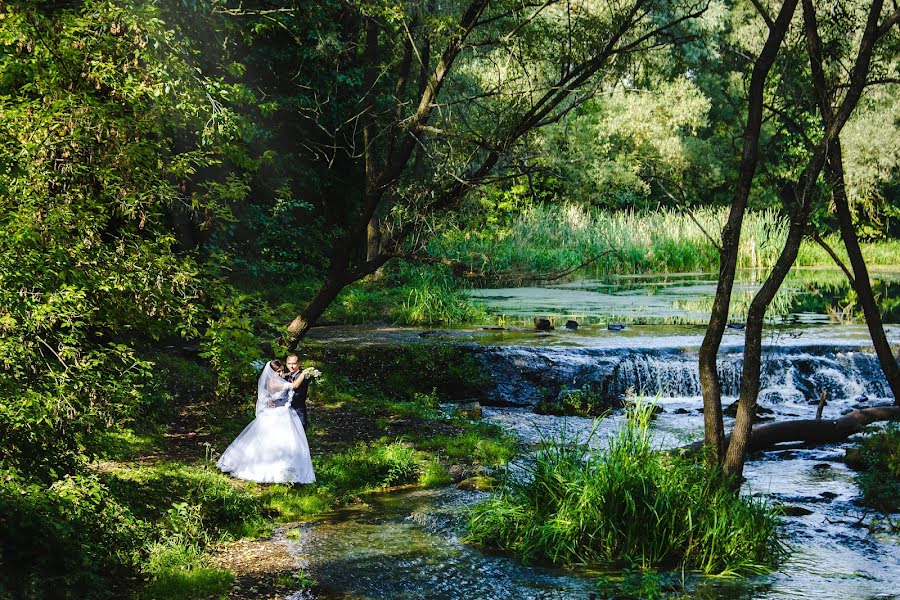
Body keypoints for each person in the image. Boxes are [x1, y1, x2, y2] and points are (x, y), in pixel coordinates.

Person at [216, 360, 315, 483]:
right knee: (270, 442)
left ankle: (288, 468)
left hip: (283, 412)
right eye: (278, 371)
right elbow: (294, 386)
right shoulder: (273, 383)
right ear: (271, 372)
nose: (281, 374)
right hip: (276, 415)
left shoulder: (277, 379)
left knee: (285, 443)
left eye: (282, 371)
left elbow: (283, 377)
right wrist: (303, 373)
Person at [283, 354, 312, 428]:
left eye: (294, 363)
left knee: (299, 431)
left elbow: (295, 386)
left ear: (299, 363)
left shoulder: (304, 376)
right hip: (285, 410)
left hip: (298, 410)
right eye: (289, 364)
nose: (291, 366)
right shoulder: (286, 376)